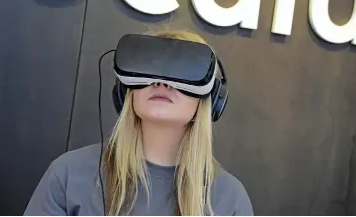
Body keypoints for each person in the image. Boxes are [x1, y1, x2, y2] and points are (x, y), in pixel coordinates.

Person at [24, 30, 253, 216]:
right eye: (150, 70)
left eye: (182, 72)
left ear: (210, 99)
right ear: (126, 90)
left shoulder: (229, 198)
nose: (162, 83)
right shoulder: (68, 174)